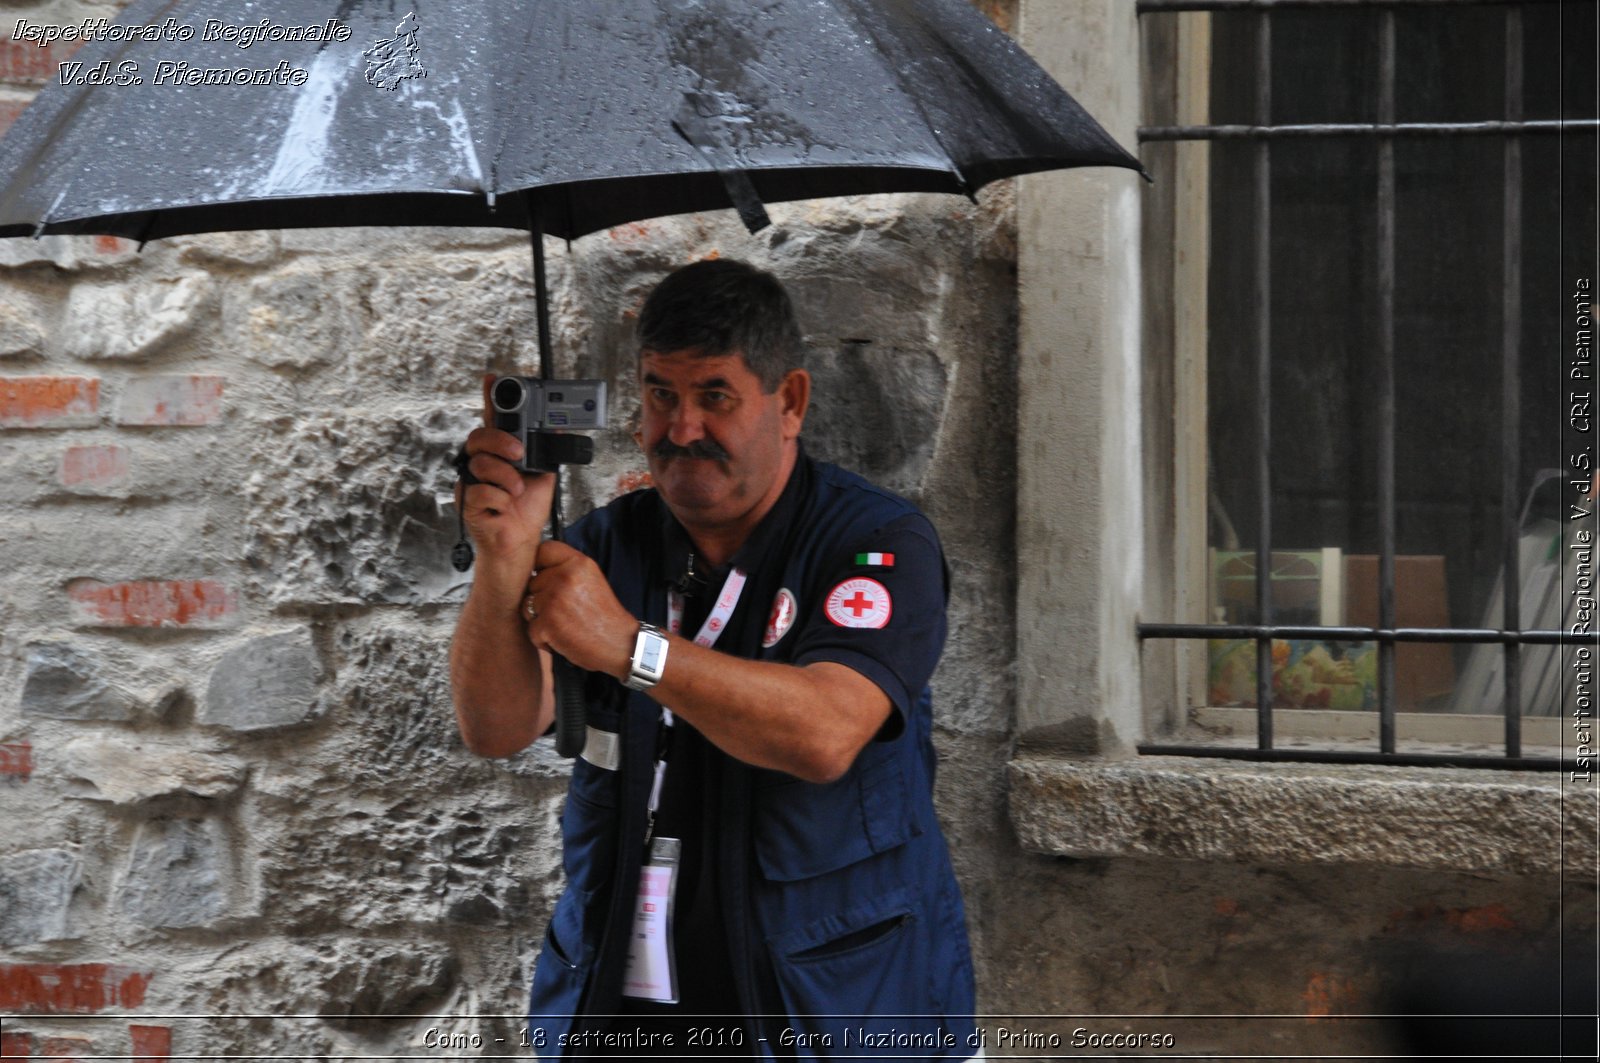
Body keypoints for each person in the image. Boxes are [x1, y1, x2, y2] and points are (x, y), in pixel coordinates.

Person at [449, 259, 975, 1060]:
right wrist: (502, 559)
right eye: (661, 394)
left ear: (789, 401)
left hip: (835, 1016)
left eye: (714, 396)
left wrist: (629, 646)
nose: (682, 427)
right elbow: (493, 725)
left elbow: (827, 731)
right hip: (622, 1013)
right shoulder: (603, 546)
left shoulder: (873, 543)